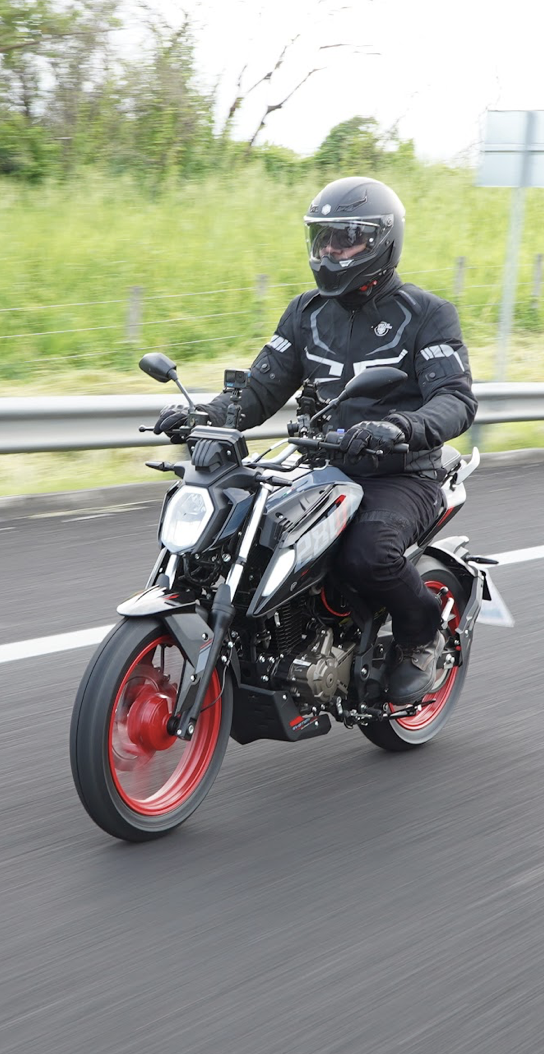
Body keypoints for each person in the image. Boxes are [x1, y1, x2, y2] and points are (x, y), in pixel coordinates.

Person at [153, 176, 476, 705]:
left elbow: (455, 401)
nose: (331, 251)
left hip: (401, 472)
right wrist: (203, 414)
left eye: (346, 238)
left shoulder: (427, 314)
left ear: (381, 242)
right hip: (322, 464)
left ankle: (422, 636)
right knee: (239, 534)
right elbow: (258, 390)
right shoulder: (305, 313)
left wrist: (399, 428)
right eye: (323, 238)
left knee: (367, 555)